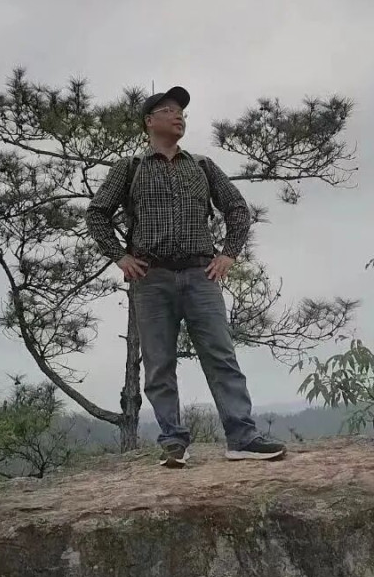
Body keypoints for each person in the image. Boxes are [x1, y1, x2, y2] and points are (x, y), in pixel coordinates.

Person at [86, 85, 286, 467]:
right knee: (159, 364)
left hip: (200, 275)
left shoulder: (203, 166)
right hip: (152, 279)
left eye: (181, 112)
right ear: (149, 121)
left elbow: (237, 209)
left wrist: (228, 254)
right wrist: (120, 257)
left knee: (221, 356)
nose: (178, 116)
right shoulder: (130, 168)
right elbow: (97, 213)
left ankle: (242, 438)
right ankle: (173, 442)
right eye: (168, 110)